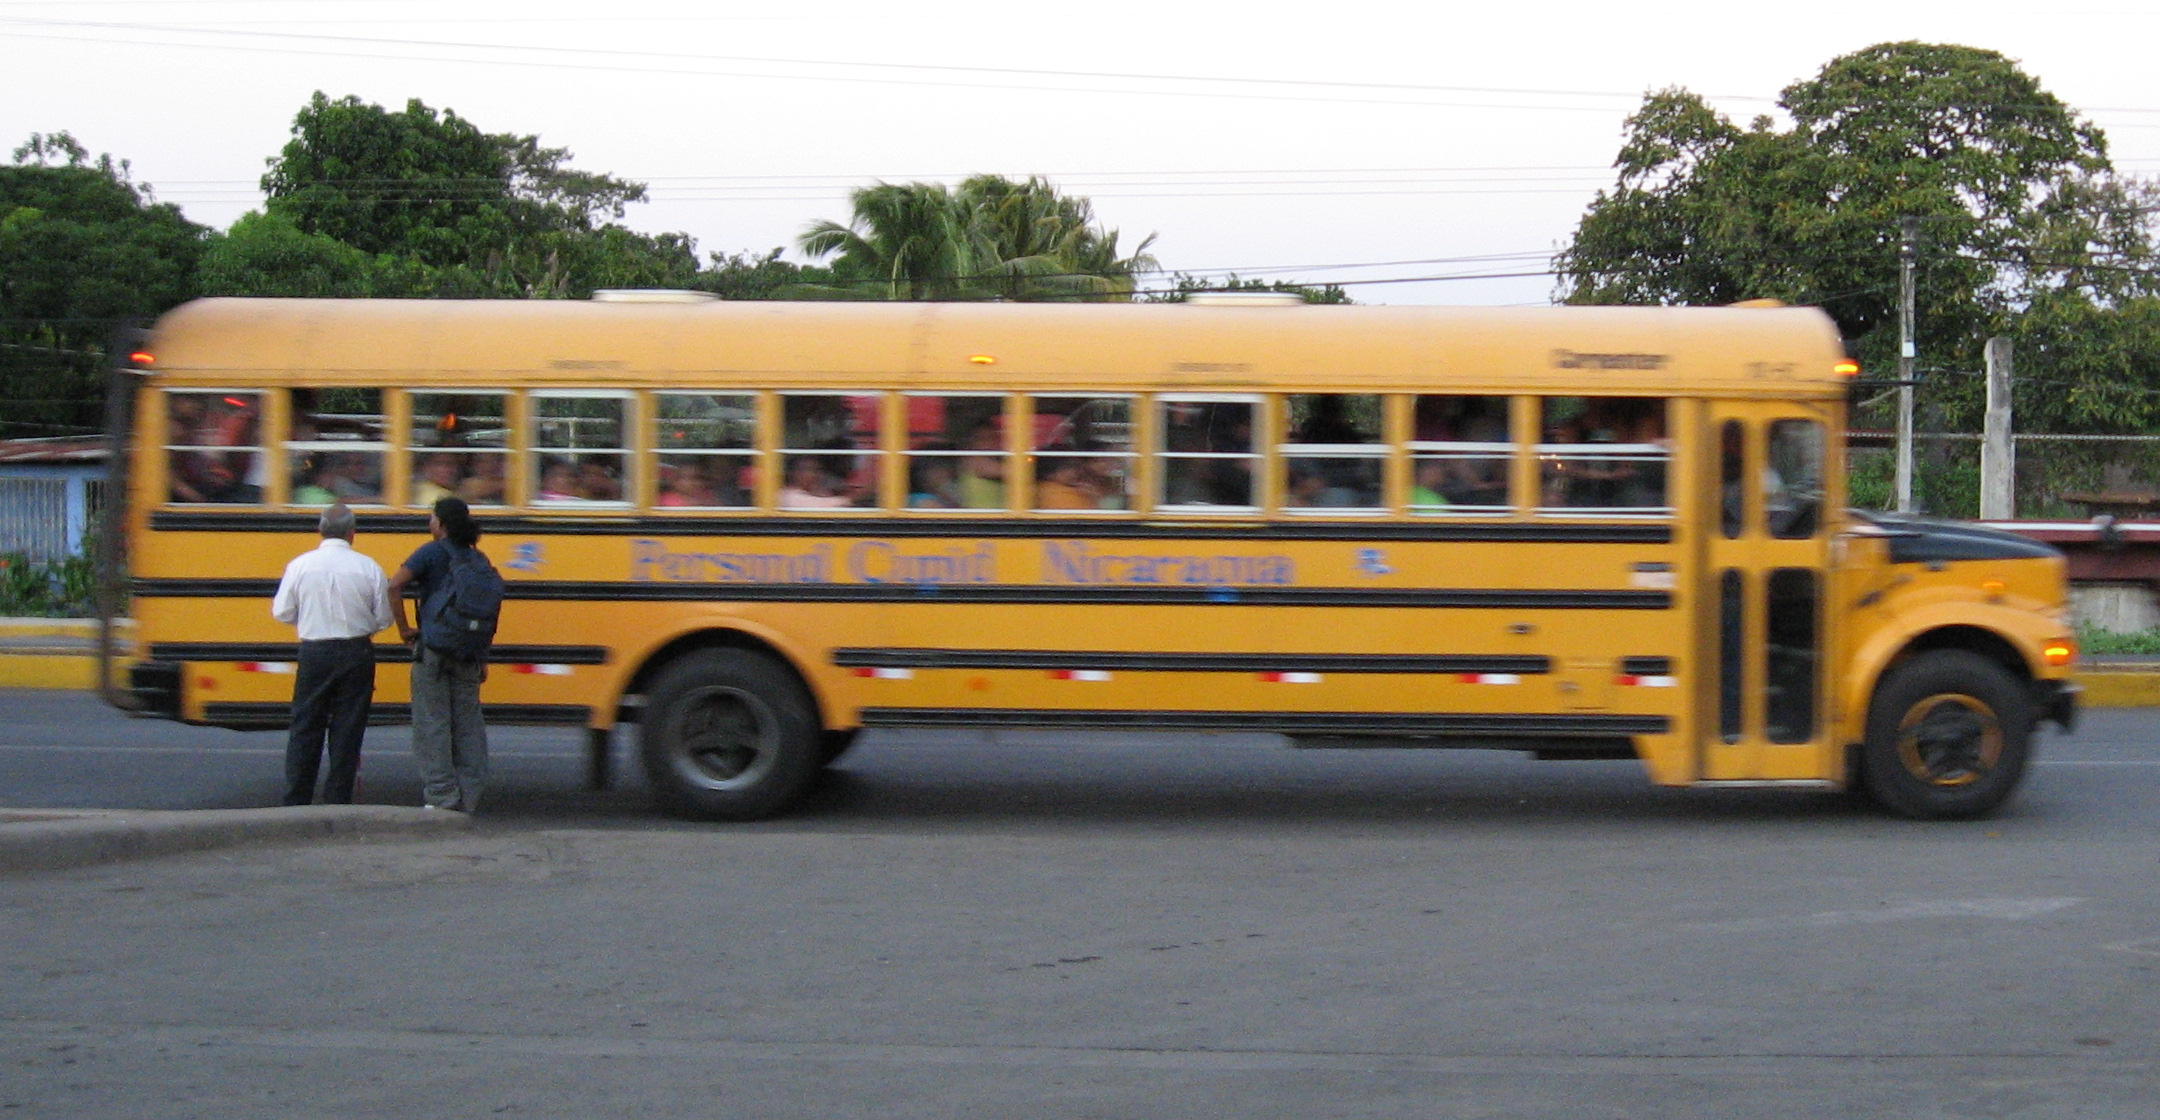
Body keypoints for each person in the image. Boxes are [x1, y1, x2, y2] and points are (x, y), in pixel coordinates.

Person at [270, 503, 393, 806]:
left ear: (320, 530)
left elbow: (282, 612)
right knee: (348, 728)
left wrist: (310, 619)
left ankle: (297, 797)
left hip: (315, 651)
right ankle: (338, 797)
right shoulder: (369, 567)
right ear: (353, 533)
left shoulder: (300, 566)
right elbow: (384, 618)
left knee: (306, 726)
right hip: (357, 650)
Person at [388, 497, 492, 813]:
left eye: (432, 519)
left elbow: (394, 587)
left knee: (433, 724)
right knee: (468, 725)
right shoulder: (478, 560)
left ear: (442, 525)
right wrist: (482, 656)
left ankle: (442, 797)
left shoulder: (430, 552)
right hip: (468, 654)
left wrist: (405, 629)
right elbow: (485, 612)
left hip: (432, 650)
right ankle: (470, 795)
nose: (429, 524)